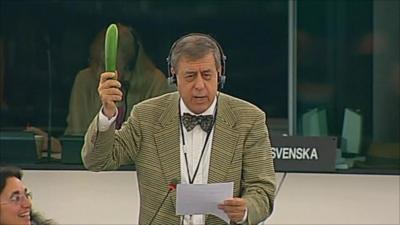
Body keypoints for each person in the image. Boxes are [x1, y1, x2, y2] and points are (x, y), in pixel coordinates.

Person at [82, 33, 276, 225]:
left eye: (207, 75)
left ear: (220, 73)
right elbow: (97, 161)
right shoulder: (146, 116)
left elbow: (262, 190)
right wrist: (107, 114)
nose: (200, 85)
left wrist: (245, 209)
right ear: (174, 75)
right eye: (190, 76)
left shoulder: (249, 119)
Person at [26, 23, 171, 154]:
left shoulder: (155, 82)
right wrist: (52, 144)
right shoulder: (84, 80)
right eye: (94, 62)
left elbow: (154, 146)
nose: (97, 72)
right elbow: (75, 141)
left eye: (104, 64)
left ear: (129, 66)